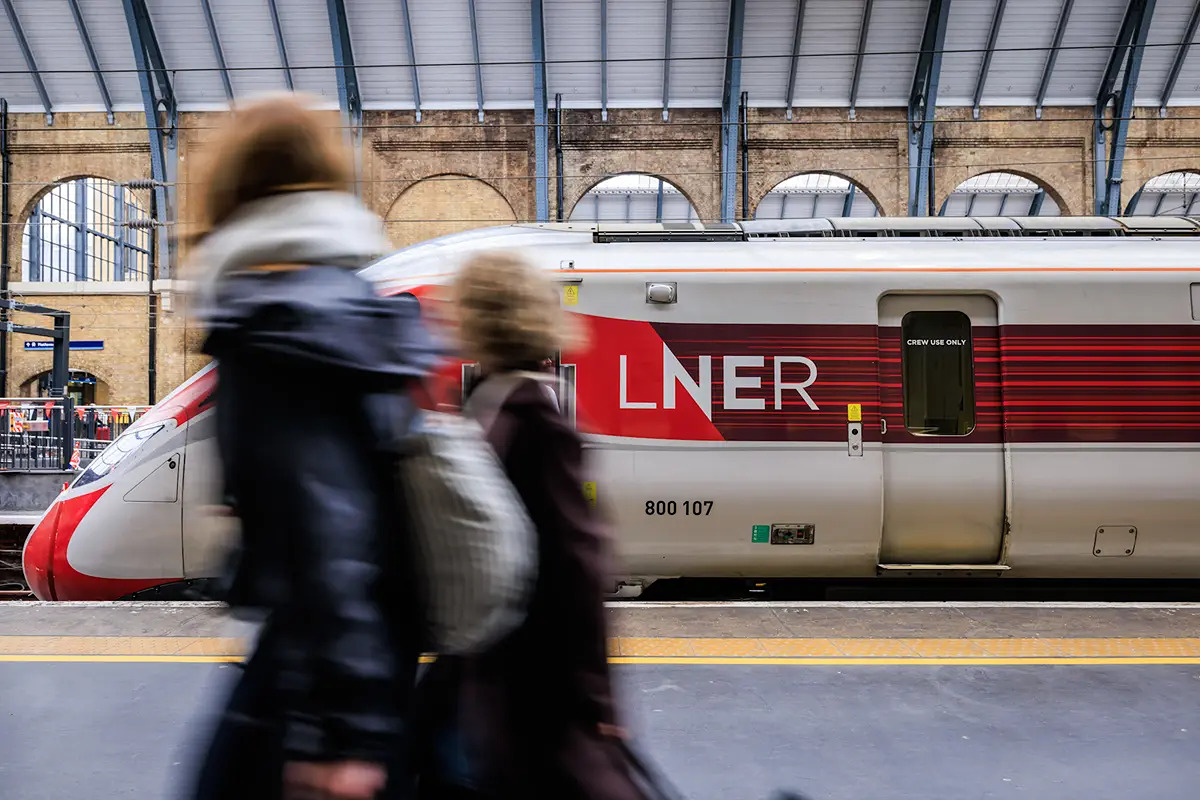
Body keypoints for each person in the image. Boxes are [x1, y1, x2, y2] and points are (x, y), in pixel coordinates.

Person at [183, 94, 437, 800]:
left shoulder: (274, 321)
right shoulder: (348, 302)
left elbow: (329, 523)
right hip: (362, 656)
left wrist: (339, 733)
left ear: (228, 183)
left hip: (324, 676)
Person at [430, 251, 647, 799]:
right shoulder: (513, 411)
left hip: (519, 680)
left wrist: (594, 699)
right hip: (521, 680)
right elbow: (575, 562)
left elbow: (571, 563)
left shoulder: (511, 416)